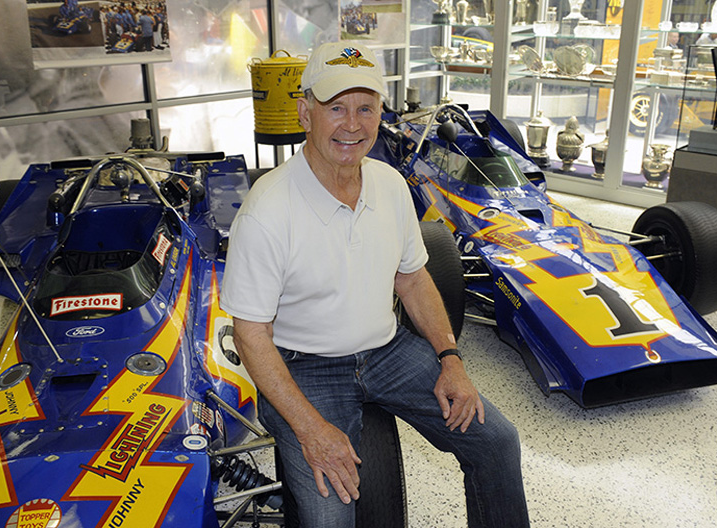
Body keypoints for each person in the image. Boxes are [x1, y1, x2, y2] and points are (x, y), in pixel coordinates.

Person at [220, 42, 529, 527]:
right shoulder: (267, 210)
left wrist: (451, 359)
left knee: (497, 441)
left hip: (388, 351)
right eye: (336, 107)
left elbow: (413, 278)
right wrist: (311, 430)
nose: (352, 124)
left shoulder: (389, 184)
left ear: (380, 114)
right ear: (304, 112)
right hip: (304, 367)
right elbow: (250, 334)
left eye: (365, 108)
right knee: (330, 517)